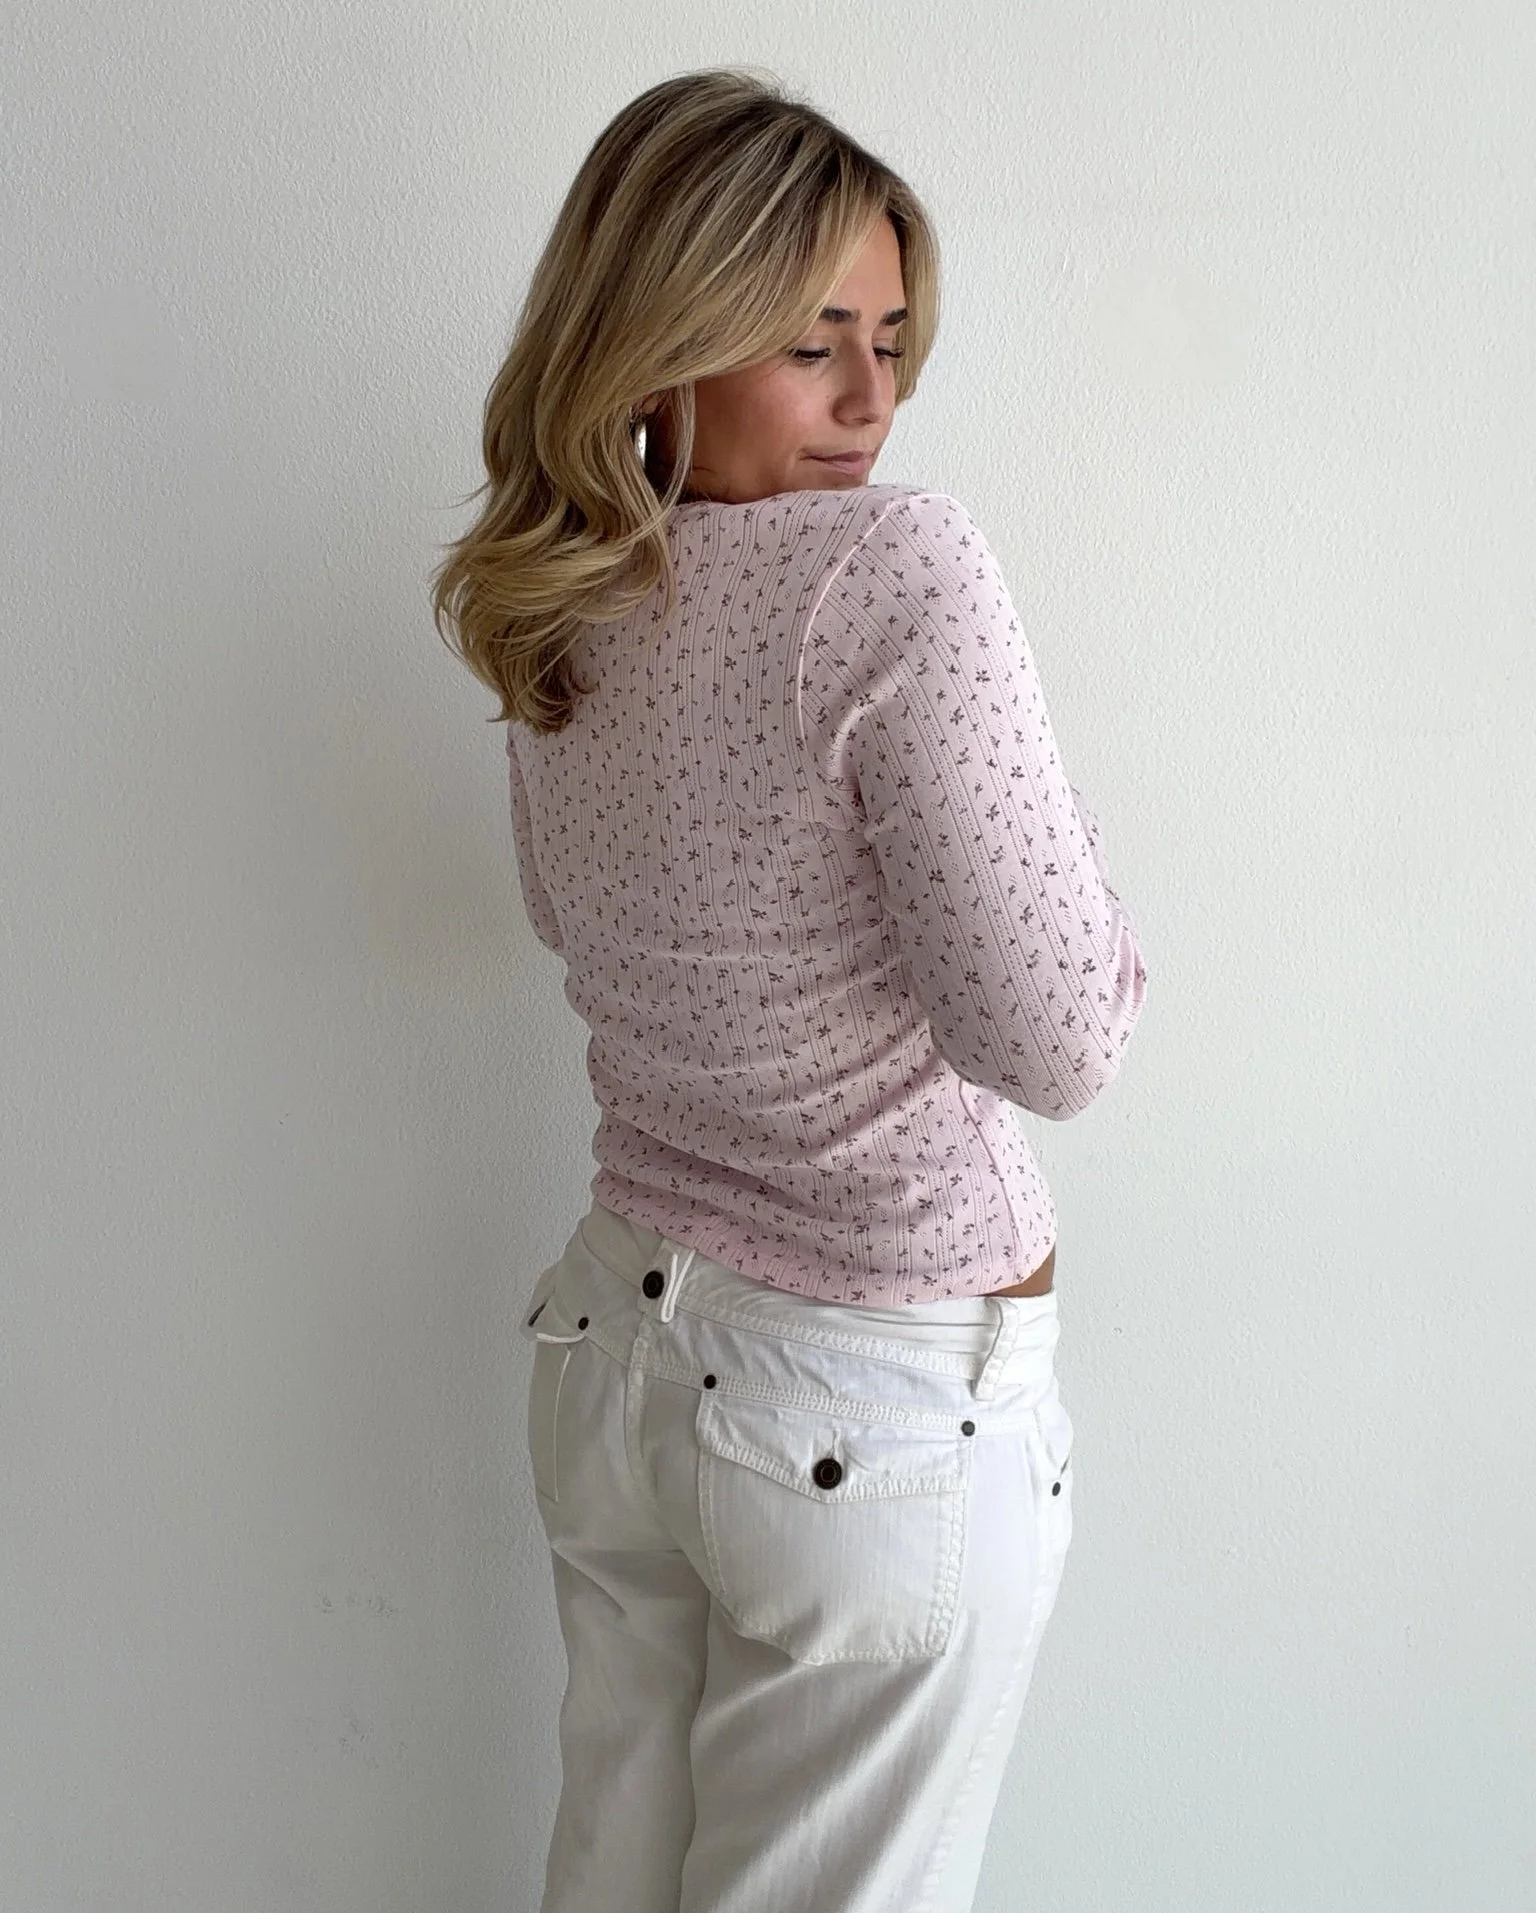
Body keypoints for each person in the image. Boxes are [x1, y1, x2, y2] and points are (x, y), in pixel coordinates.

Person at [430, 66, 1148, 1913]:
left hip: (620, 1363)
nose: (871, 399)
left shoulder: (562, 597)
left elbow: (564, 918)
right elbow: (1063, 1038)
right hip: (869, 1405)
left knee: (610, 1876)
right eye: (812, 338)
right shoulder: (897, 565)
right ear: (659, 336)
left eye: (891, 341)